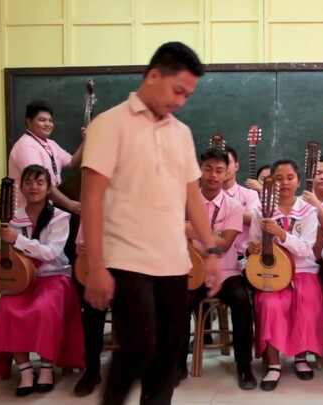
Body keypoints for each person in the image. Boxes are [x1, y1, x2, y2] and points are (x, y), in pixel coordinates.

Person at [80, 41, 222, 405]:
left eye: (188, 95)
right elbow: (91, 199)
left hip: (174, 260)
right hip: (126, 259)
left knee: (168, 356)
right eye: (177, 90)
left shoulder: (182, 133)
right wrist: (96, 267)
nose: (180, 101)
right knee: (140, 347)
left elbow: (192, 197)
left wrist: (210, 251)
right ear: (154, 75)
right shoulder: (109, 124)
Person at [0, 165, 84, 397]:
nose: (33, 187)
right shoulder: (13, 219)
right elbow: (8, 258)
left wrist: (18, 239)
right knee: (7, 309)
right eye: (28, 182)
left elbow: (50, 253)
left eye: (39, 182)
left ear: (49, 189)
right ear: (21, 187)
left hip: (54, 277)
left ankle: (47, 367)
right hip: (23, 281)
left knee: (44, 310)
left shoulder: (60, 217)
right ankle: (26, 370)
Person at [178, 147, 256, 389]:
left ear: (227, 174)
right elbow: (177, 234)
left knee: (243, 304)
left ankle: (244, 367)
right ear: (199, 170)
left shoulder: (233, 206)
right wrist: (212, 234)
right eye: (208, 169)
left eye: (219, 170)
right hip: (193, 271)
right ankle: (178, 367)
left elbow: (225, 245)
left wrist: (193, 231)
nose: (213, 175)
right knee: (178, 306)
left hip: (227, 272)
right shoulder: (184, 201)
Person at [247, 159, 323, 391]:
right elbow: (252, 244)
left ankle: (301, 358)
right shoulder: (261, 211)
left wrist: (282, 234)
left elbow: (305, 248)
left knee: (305, 300)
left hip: (303, 271)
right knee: (269, 303)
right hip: (271, 272)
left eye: (290, 178)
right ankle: (273, 364)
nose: (284, 183)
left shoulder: (309, 210)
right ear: (269, 183)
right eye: (278, 179)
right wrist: (251, 249)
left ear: (299, 180)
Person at [8, 100, 83, 212]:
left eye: (50, 120)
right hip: (27, 214)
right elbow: (39, 181)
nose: (48, 124)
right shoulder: (26, 146)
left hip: (47, 210)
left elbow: (72, 162)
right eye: (42, 120)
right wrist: (69, 204)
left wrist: (86, 140)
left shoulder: (50, 144)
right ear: (29, 121)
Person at [72, 226, 108, 397]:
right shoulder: (94, 205)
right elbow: (81, 242)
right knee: (92, 309)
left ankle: (139, 365)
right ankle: (92, 370)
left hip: (130, 270)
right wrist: (80, 247)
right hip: (98, 269)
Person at [223, 145, 261, 269]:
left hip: (243, 257)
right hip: (214, 256)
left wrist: (227, 203)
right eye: (219, 163)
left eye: (227, 163)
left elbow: (254, 220)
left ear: (237, 166)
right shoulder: (204, 196)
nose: (223, 167)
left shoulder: (250, 194)